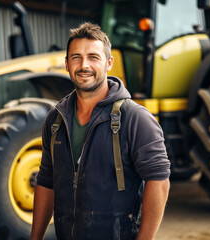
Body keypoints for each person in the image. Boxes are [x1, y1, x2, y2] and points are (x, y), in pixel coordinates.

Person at [31, 22, 170, 240]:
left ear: (108, 63)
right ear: (66, 64)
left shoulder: (135, 118)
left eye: (93, 57)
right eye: (76, 57)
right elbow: (47, 180)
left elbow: (159, 181)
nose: (83, 65)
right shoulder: (55, 120)